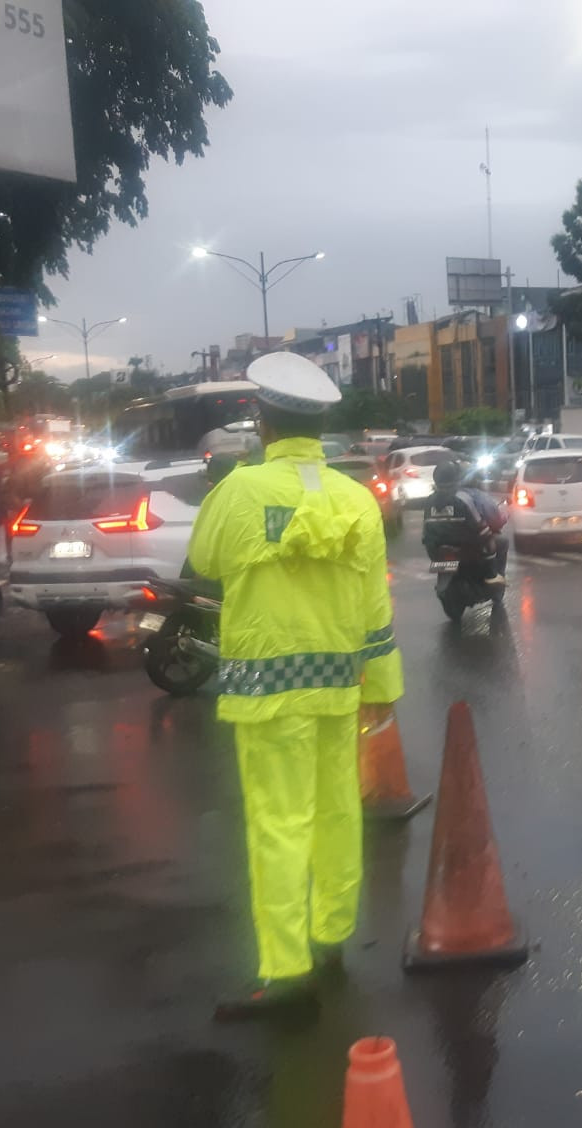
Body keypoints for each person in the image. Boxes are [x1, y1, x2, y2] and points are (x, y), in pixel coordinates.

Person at [186, 352, 404, 1021]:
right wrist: (383, 687)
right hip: (340, 681)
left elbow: (204, 562)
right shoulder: (356, 500)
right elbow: (374, 604)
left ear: (260, 420)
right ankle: (330, 937)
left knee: (279, 824)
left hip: (268, 687)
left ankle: (286, 972)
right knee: (337, 810)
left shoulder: (240, 491)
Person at [421, 460, 507, 584]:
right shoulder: (464, 498)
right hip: (467, 549)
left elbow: (426, 531)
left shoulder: (429, 501)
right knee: (499, 541)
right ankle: (492, 576)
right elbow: (480, 527)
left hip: (436, 551)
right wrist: (487, 536)